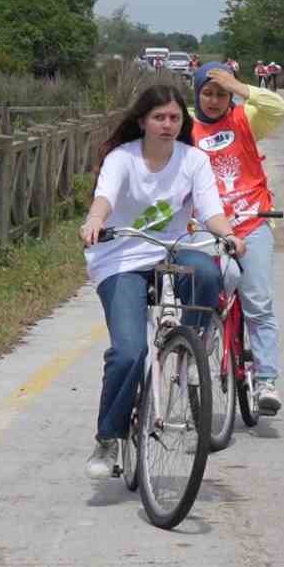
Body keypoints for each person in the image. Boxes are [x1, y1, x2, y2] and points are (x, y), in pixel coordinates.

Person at [79, 85, 247, 479]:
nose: (167, 125)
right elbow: (104, 198)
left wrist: (228, 235)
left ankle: (192, 345)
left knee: (207, 271)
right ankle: (108, 437)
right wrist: (95, 220)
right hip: (120, 257)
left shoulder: (194, 160)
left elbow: (210, 211)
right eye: (159, 117)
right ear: (142, 121)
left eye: (174, 118)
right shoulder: (122, 158)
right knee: (128, 352)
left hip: (172, 249)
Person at [178, 61, 284, 414]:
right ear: (197, 94)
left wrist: (240, 87)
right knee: (210, 288)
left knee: (258, 300)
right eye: (207, 93)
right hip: (207, 227)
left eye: (221, 94)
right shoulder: (186, 127)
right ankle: (203, 347)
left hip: (252, 220)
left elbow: (278, 108)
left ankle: (265, 380)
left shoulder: (245, 118)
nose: (213, 101)